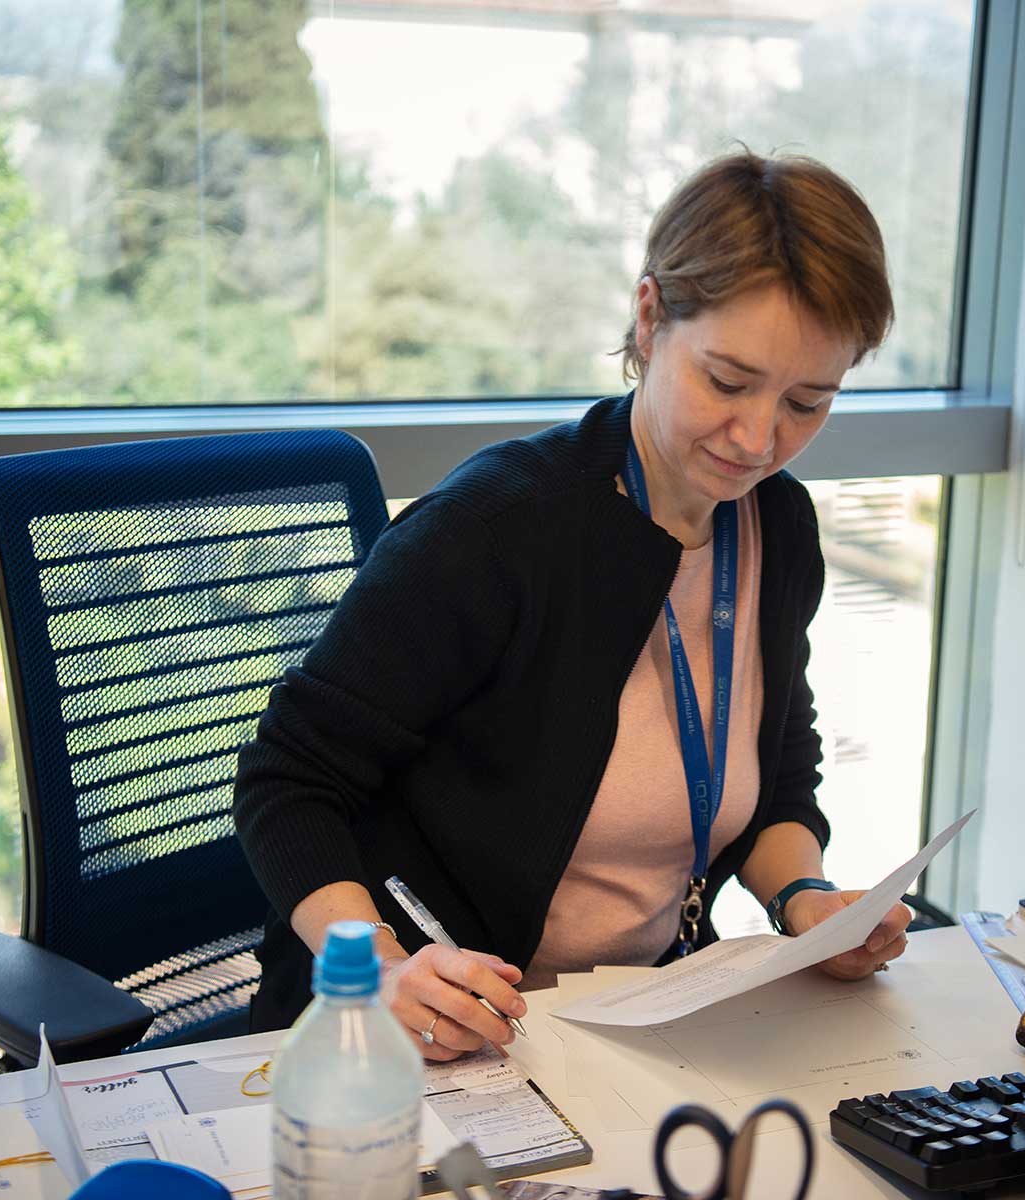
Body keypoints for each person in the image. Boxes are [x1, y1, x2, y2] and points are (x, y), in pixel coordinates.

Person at [235, 150, 911, 1060]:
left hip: (639, 1020)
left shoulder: (775, 526)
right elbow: (289, 779)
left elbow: (777, 769)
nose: (759, 439)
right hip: (439, 1027)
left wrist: (807, 904)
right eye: (727, 381)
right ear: (650, 317)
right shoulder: (497, 527)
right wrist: (386, 970)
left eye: (807, 401)